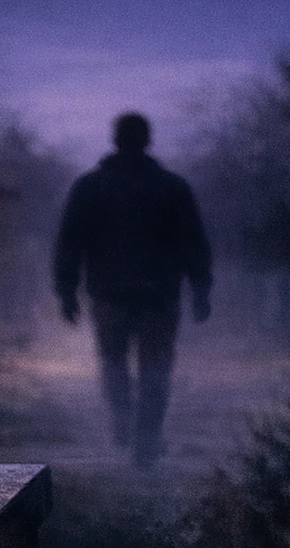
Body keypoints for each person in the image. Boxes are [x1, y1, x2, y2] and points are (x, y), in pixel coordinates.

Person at [53, 112, 213, 469]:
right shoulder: (171, 187)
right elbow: (193, 243)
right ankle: (146, 441)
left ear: (115, 140)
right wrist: (201, 289)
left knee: (114, 364)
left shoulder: (90, 187)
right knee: (155, 369)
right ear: (147, 140)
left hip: (109, 294)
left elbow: (70, 242)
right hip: (159, 295)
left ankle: (124, 424)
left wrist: (67, 291)